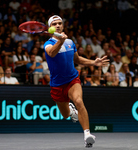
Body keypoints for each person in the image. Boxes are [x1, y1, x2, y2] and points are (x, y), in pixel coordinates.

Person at [44, 15, 109, 147]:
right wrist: (60, 41)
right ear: (50, 28)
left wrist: (94, 62)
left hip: (72, 80)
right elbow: (51, 53)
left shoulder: (70, 43)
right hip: (57, 85)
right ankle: (70, 110)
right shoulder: (48, 44)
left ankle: (87, 135)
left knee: (79, 101)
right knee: (65, 114)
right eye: (54, 24)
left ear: (62, 26)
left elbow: (78, 60)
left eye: (59, 23)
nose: (57, 25)